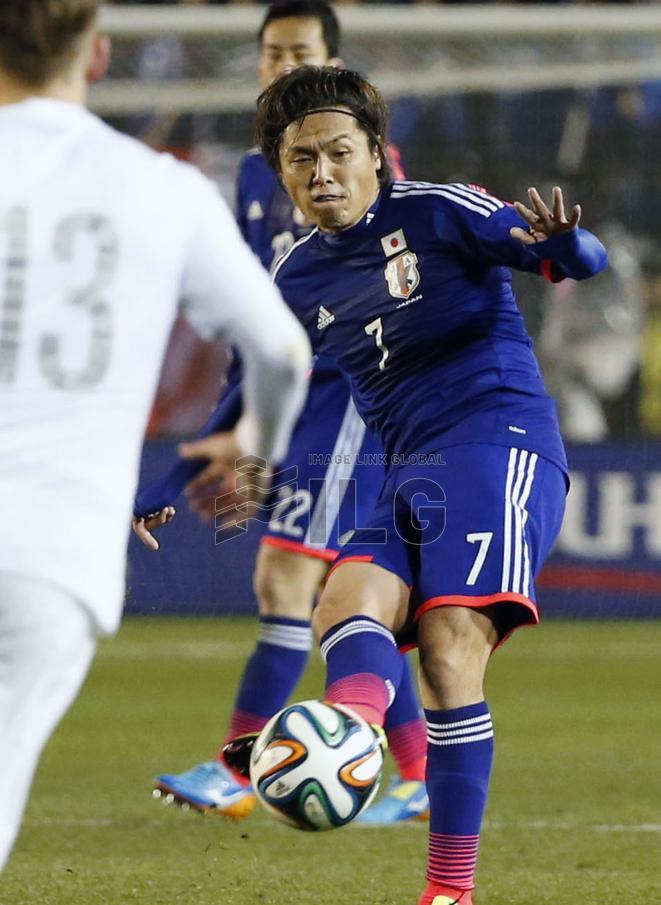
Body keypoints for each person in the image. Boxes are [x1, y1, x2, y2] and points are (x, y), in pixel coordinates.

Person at [238, 65, 607, 905]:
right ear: (281, 174)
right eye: (299, 159)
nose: (321, 171)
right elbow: (250, 383)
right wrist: (182, 477)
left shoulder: (439, 210)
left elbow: (562, 259)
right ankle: (354, 726)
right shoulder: (294, 272)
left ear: (374, 154)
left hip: (500, 442)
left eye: (337, 152)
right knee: (342, 603)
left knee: (447, 646)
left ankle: (447, 897)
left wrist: (573, 245)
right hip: (406, 464)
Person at [0, 0, 310, 874]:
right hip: (52, 556)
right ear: (98, 57)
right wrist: (260, 441)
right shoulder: (158, 187)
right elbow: (282, 346)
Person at [136, 0, 428, 826]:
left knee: (290, 578)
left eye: (299, 52)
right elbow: (255, 307)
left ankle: (236, 767)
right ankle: (416, 770)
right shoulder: (261, 172)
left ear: (333, 63)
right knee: (332, 588)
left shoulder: (366, 164)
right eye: (271, 53)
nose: (283, 66)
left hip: (342, 398)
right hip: (286, 397)